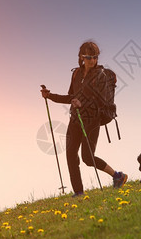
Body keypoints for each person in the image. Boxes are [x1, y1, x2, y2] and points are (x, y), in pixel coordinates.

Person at [41, 41, 127, 197]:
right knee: (71, 155)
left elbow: (102, 101)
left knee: (87, 157)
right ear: (81, 57)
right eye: (88, 57)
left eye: (95, 57)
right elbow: (71, 97)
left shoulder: (100, 76)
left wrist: (82, 104)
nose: (92, 61)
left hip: (92, 120)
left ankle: (118, 176)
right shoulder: (76, 74)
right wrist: (50, 96)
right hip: (75, 118)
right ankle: (79, 192)